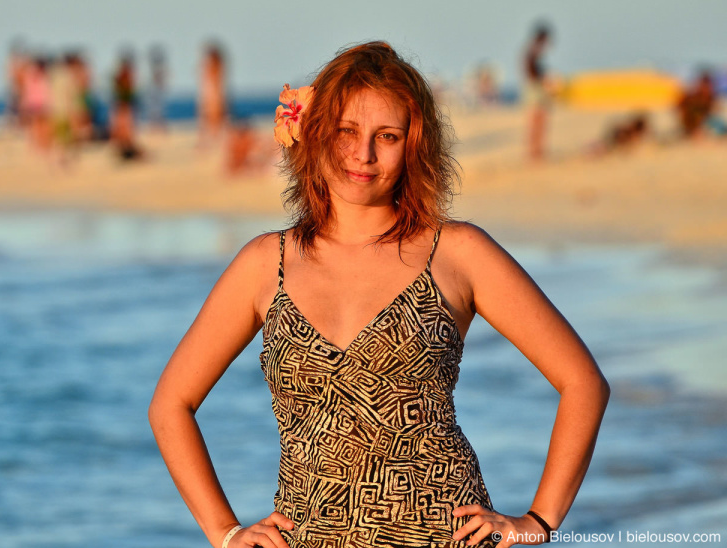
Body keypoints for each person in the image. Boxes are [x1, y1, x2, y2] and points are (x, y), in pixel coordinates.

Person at [149, 42, 610, 548]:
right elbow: (171, 402)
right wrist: (225, 531)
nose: (363, 154)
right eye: (347, 131)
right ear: (317, 132)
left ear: (413, 145)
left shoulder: (457, 253)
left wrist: (537, 523)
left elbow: (583, 382)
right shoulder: (265, 264)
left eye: (386, 136)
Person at [522, 23, 554, 161]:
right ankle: (535, 153)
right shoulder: (534, 50)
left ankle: (536, 152)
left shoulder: (532, 50)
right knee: (537, 121)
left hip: (534, 88)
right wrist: (544, 79)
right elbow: (531, 70)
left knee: (537, 122)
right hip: (536, 89)